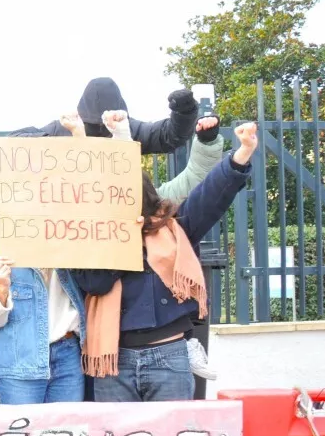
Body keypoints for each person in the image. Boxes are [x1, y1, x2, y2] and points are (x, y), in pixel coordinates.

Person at [72, 123, 259, 402]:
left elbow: (209, 196)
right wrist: (124, 244)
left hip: (168, 357)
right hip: (113, 363)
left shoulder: (173, 228)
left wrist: (242, 153)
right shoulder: (93, 239)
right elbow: (94, 283)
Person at [0, 247, 87, 405]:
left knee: (67, 428)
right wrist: (2, 288)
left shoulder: (66, 249)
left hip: (67, 356)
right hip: (19, 363)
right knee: (24, 427)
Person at [15, 77, 199, 156]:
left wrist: (184, 111)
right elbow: (14, 142)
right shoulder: (64, 128)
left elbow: (169, 135)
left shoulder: (127, 129)